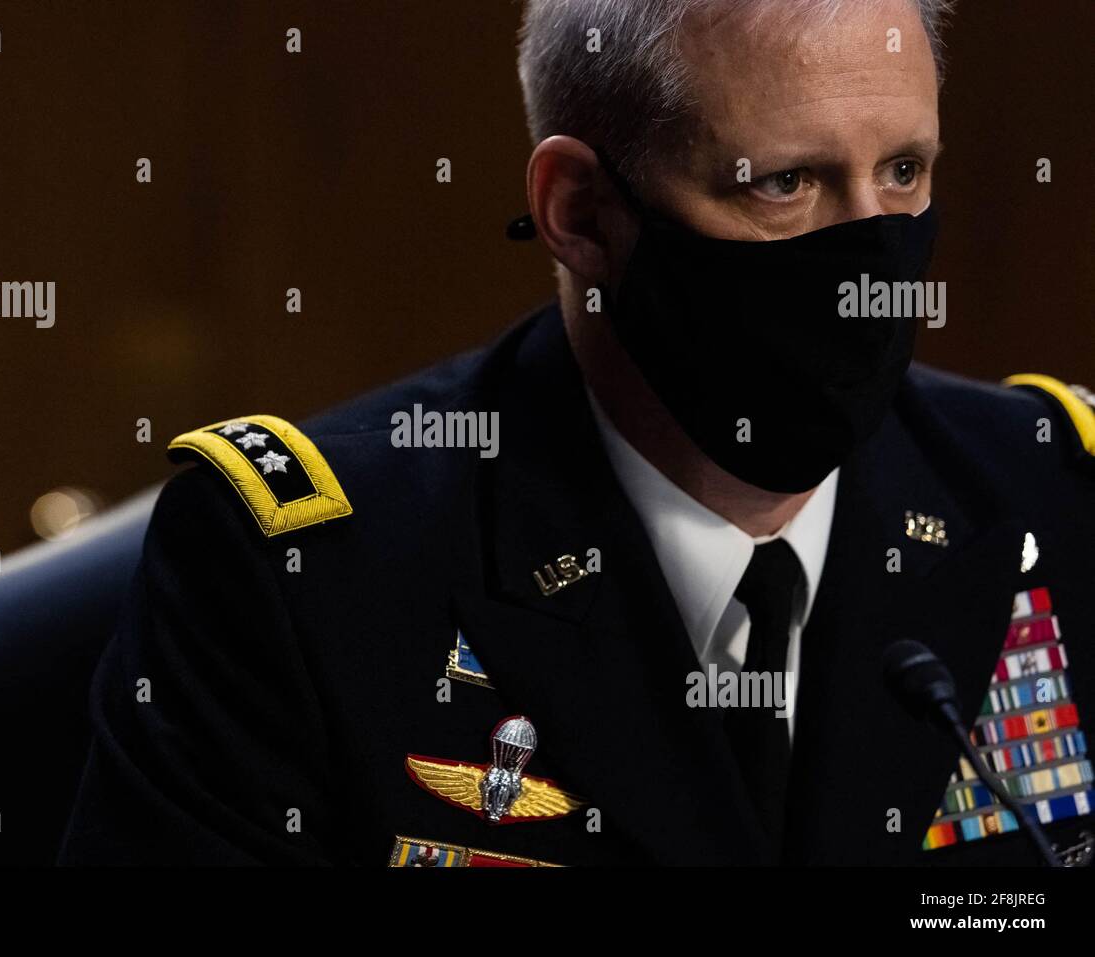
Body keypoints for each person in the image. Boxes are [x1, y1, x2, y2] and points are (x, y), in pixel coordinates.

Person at [60, 0, 1095, 866]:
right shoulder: (307, 575)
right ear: (583, 214)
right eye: (783, 184)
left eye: (905, 172)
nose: (872, 259)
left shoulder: (1048, 489)